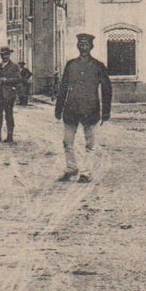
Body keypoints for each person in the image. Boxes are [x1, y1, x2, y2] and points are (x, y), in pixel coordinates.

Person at [54, 33, 112, 182]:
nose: (83, 48)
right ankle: (71, 168)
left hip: (90, 110)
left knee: (90, 145)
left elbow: (106, 89)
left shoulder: (98, 66)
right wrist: (58, 109)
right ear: (77, 46)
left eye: (86, 45)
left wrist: (106, 112)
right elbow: (63, 87)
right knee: (67, 142)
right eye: (81, 45)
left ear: (91, 47)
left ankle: (86, 173)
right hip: (71, 109)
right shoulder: (71, 65)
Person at [0, 46, 24, 143]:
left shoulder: (15, 66)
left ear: (9, 55)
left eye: (6, 54)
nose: (4, 57)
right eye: (3, 55)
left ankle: (9, 136)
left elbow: (18, 79)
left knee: (8, 115)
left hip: (9, 94)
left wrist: (7, 80)